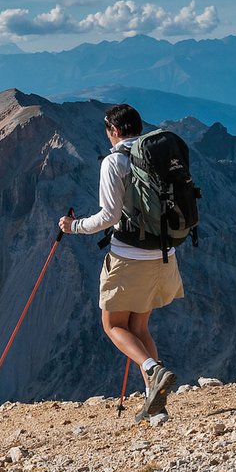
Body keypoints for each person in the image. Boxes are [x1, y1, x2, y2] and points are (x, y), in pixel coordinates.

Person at [58, 104, 184, 421]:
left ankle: (153, 370)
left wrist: (73, 226)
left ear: (113, 131)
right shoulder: (157, 156)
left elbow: (109, 217)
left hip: (129, 257)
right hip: (165, 253)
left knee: (113, 325)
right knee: (139, 327)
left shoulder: (114, 161)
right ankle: (157, 408)